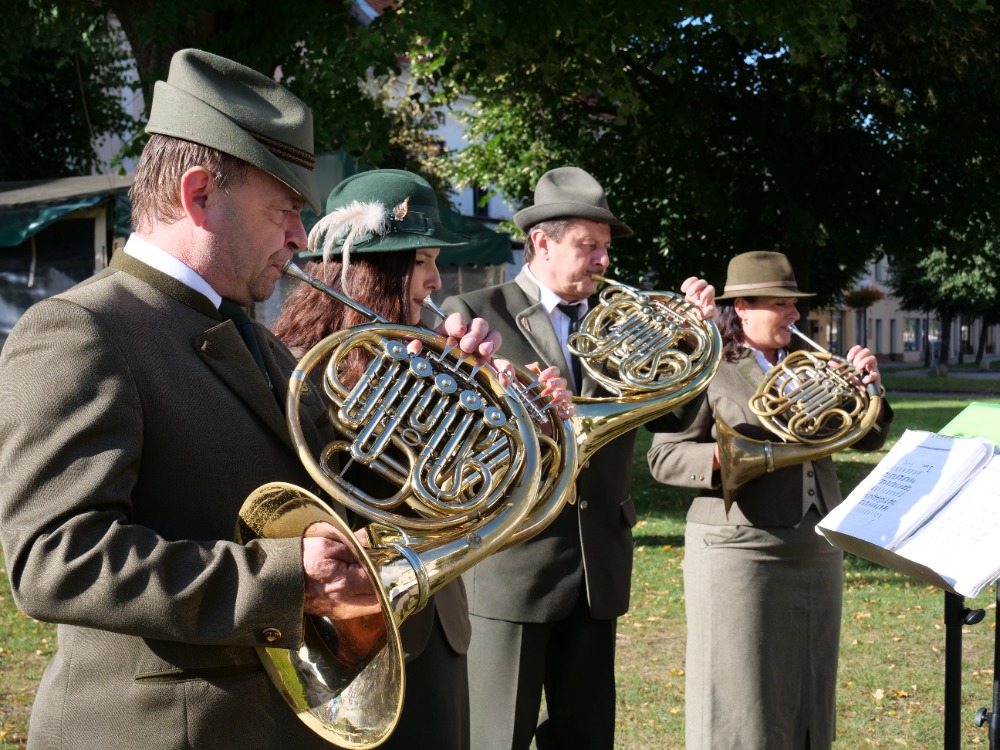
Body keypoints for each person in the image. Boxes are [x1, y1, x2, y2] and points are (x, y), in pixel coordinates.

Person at [0, 49, 500, 749]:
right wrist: (289, 579)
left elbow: (351, 493)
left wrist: (455, 412)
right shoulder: (82, 329)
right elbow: (56, 558)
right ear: (200, 195)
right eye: (286, 211)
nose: (301, 239)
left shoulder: (259, 343)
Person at [271, 168, 573, 750]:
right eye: (421, 261)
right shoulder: (300, 366)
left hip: (439, 620)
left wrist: (513, 412)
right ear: (370, 272)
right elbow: (315, 491)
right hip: (353, 625)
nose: (436, 279)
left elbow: (476, 501)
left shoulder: (428, 355)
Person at [441, 166, 716, 750]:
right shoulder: (474, 310)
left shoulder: (621, 321)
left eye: (606, 249)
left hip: (598, 564)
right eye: (588, 246)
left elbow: (675, 422)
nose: (602, 262)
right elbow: (454, 442)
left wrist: (692, 341)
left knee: (588, 738)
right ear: (541, 243)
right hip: (512, 566)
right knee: (497, 737)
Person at [646, 250, 895, 750]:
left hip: (816, 546)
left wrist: (871, 391)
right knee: (738, 700)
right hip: (738, 548)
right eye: (781, 304)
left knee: (809, 690)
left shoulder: (812, 366)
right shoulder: (710, 365)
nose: (795, 315)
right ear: (741, 306)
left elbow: (865, 439)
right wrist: (730, 459)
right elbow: (663, 456)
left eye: (796, 305)